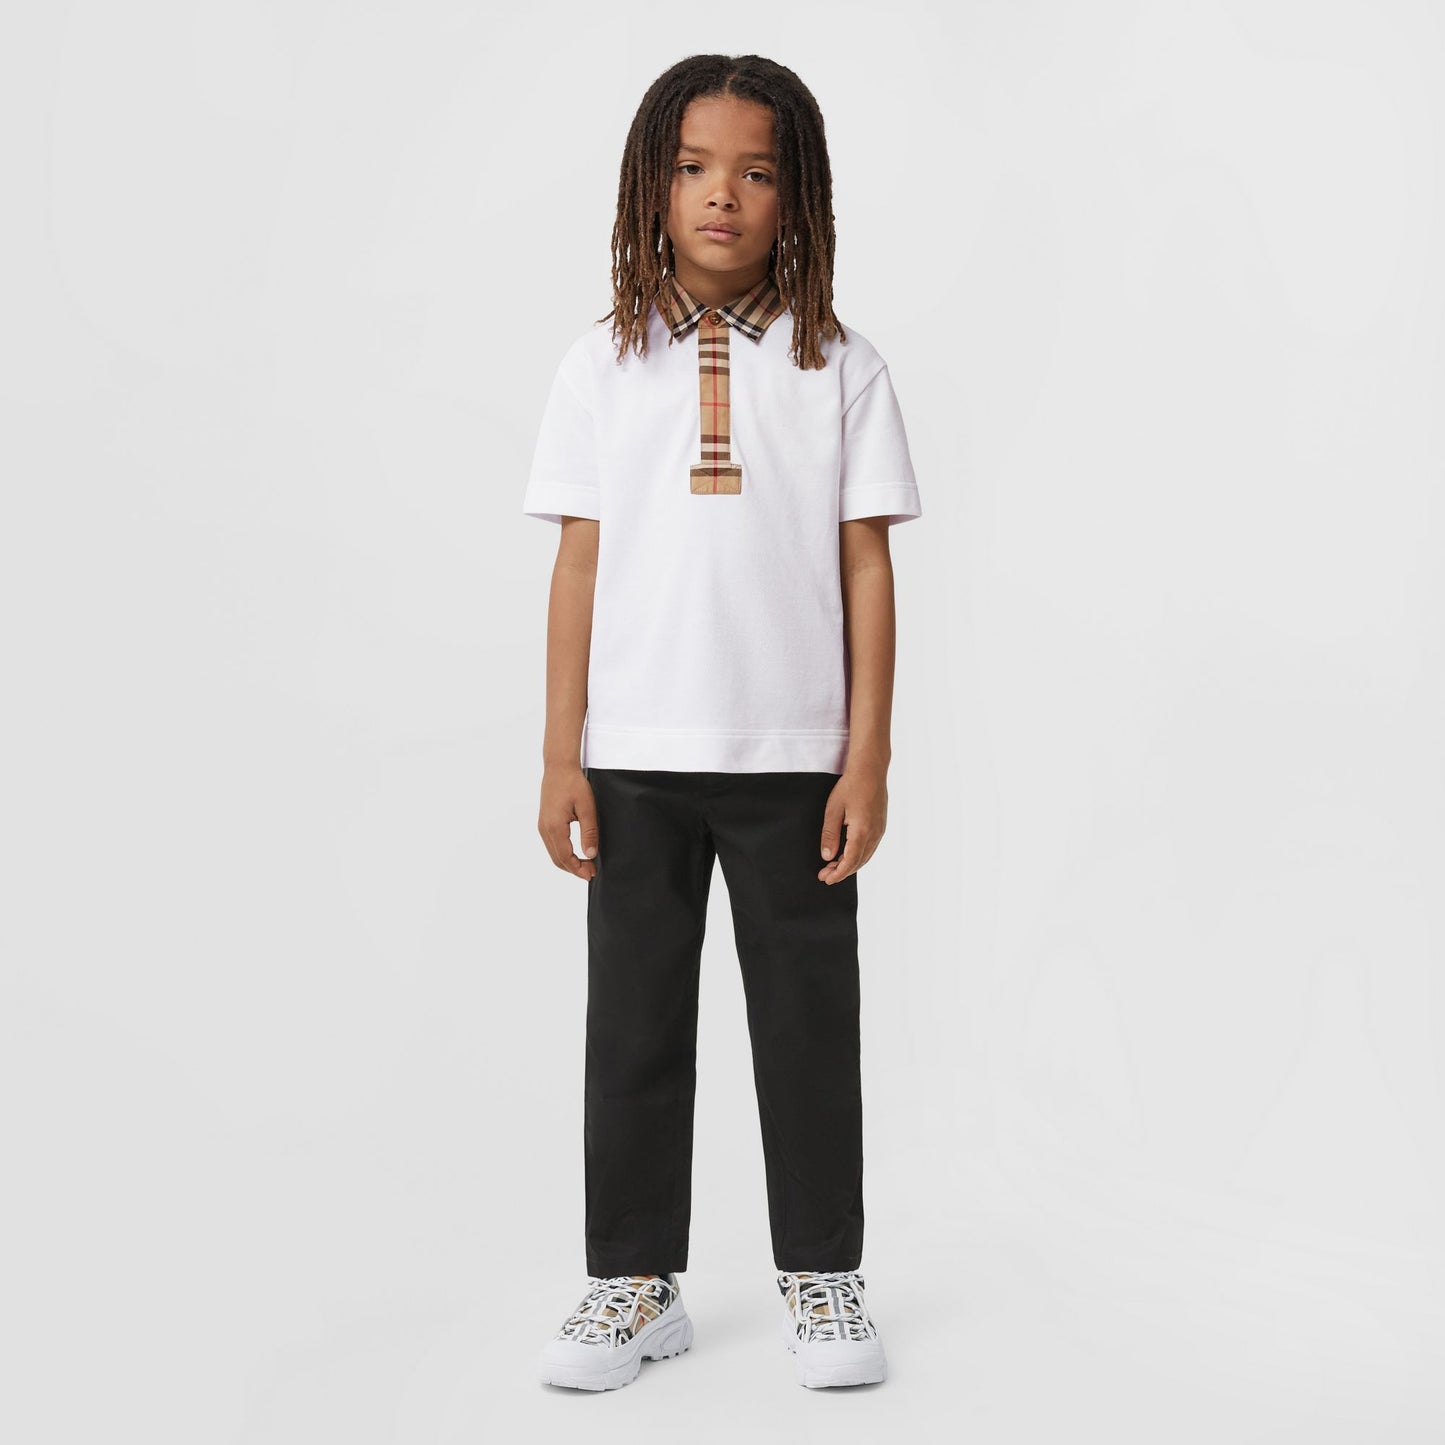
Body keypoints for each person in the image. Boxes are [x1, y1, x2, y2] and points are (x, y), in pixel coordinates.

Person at [522, 52, 922, 1392]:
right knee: (633, 1027)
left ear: (796, 195)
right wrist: (560, 752)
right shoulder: (601, 365)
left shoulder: (839, 366)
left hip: (792, 760)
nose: (722, 196)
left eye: (755, 172)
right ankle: (633, 1282)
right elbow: (578, 562)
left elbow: (866, 564)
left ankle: (821, 1273)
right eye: (694, 168)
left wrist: (866, 754)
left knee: (806, 1027)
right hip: (634, 758)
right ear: (652, 184)